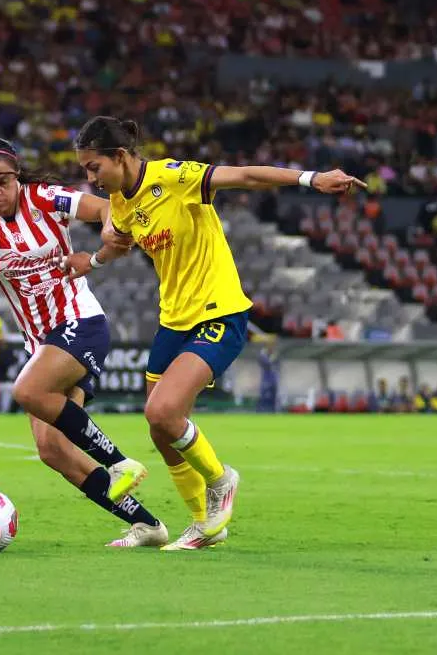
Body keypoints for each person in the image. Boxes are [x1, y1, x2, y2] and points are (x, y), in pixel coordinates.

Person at [64, 116, 365, 550]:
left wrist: (310, 178)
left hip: (218, 313)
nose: (89, 177)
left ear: (120, 156)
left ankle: (222, 480)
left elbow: (242, 175)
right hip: (173, 321)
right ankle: (206, 525)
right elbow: (121, 242)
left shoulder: (175, 176)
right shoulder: (123, 202)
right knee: (160, 429)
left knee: (162, 413)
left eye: (94, 167)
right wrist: (91, 261)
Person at [0, 137, 167, 548]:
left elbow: (105, 206)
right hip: (40, 342)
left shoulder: (46, 198)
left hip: (80, 321)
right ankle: (148, 525)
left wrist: (110, 226)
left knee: (27, 389)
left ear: (17, 176)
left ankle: (120, 463)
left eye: (2, 182)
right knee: (52, 450)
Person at [256, 337, 280, 413]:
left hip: (274, 378)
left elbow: (276, 364)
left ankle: (273, 411)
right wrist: (272, 358)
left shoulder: (275, 354)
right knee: (263, 395)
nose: (271, 348)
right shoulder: (263, 355)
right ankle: (260, 410)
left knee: (274, 396)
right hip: (266, 378)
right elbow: (267, 363)